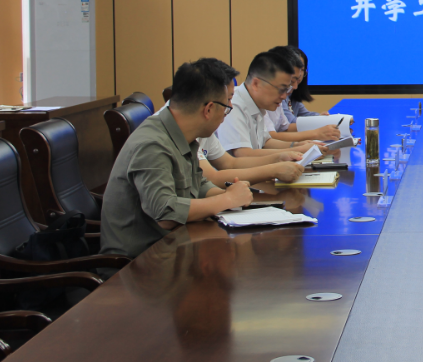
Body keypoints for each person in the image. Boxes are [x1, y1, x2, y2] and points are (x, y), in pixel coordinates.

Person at [100, 58, 253, 258]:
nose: (227, 112)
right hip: (138, 263)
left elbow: (197, 184)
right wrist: (227, 199)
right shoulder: (152, 144)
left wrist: (230, 195)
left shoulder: (183, 134)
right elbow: (165, 213)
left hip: (172, 249)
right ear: (208, 109)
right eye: (227, 106)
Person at [157, 60, 306, 185]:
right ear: (209, 108)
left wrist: (279, 158)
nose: (230, 106)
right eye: (228, 100)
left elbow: (229, 163)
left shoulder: (202, 124)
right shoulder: (173, 131)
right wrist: (273, 170)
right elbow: (212, 177)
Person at [216, 51, 328, 157]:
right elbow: (243, 154)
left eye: (287, 89)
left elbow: (266, 142)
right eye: (281, 89)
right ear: (256, 84)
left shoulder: (258, 103)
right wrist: (298, 150)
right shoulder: (234, 104)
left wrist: (298, 145)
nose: (284, 96)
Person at [262, 45, 342, 143]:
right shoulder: (269, 97)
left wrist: (322, 121)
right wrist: (316, 133)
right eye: (293, 80)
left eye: (302, 70)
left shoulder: (282, 94)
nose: (295, 86)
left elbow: (285, 128)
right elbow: (270, 138)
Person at [287, 45, 329, 118]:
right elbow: (289, 122)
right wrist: (318, 121)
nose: (299, 74)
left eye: (302, 69)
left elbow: (304, 114)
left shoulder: (294, 93)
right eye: (296, 69)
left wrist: (320, 117)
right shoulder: (282, 94)